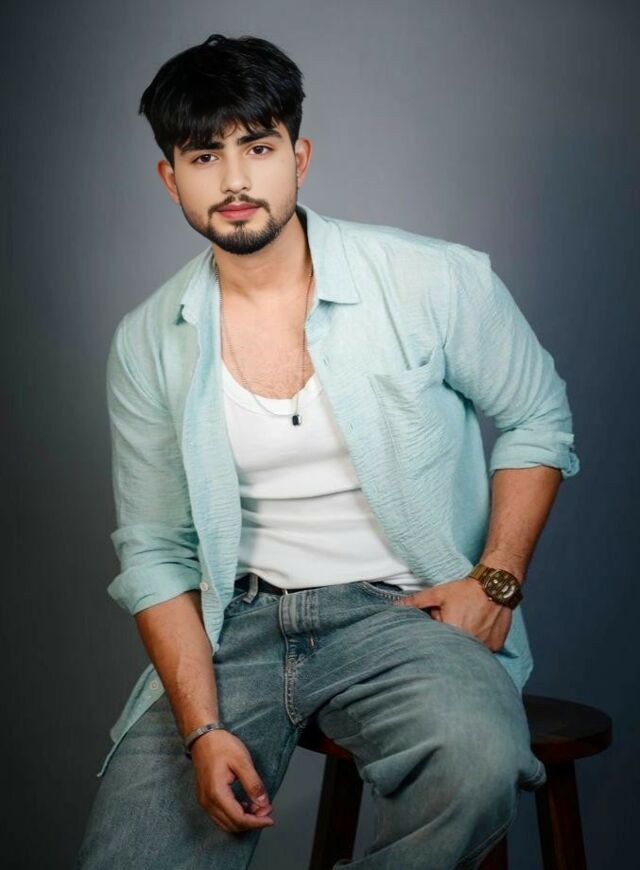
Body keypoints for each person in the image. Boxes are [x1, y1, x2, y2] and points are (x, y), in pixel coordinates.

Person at [75, 32, 580, 870]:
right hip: (234, 628)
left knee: (477, 763)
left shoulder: (431, 279)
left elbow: (538, 417)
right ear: (170, 178)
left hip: (406, 617)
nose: (234, 182)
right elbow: (157, 551)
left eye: (257, 148)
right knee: (132, 855)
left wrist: (497, 578)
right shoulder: (147, 341)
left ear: (299, 158)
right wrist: (201, 728)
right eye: (204, 157)